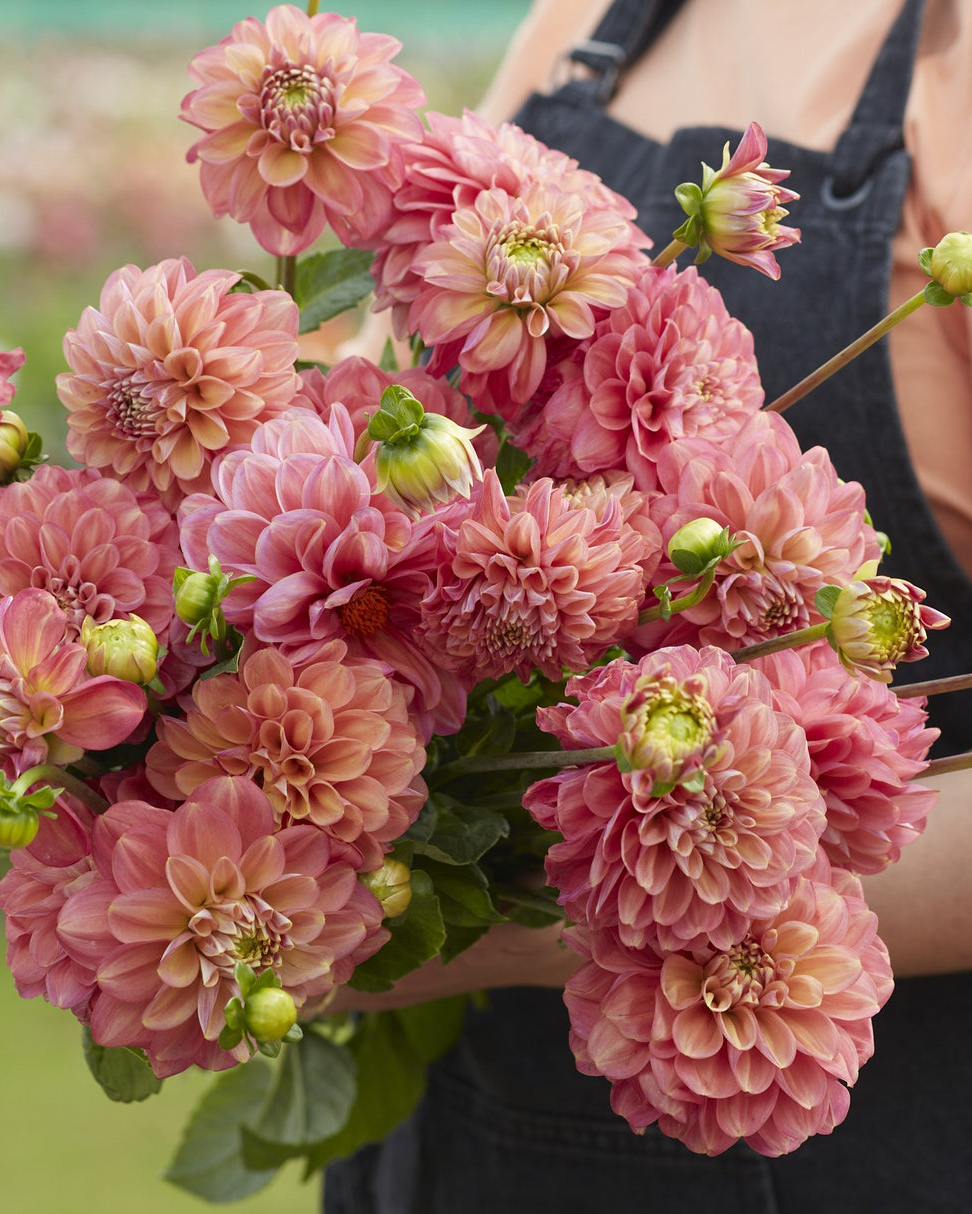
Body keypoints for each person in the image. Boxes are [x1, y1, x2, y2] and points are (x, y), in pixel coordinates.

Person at [323, 1, 972, 1210]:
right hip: (462, 1140)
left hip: (849, 1141)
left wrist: (518, 925)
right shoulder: (580, 22)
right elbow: (379, 432)